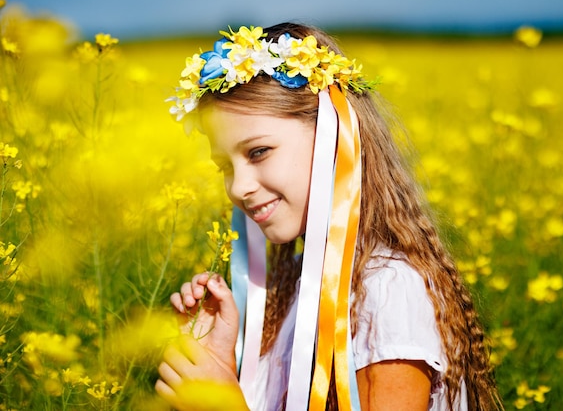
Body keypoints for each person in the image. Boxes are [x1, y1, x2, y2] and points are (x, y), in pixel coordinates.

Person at [155, 22, 502, 411]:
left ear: (331, 138)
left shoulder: (385, 291)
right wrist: (222, 362)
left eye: (258, 152)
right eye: (225, 166)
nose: (239, 187)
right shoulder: (297, 281)